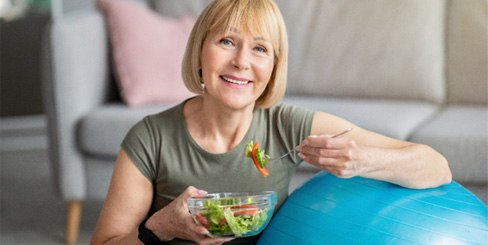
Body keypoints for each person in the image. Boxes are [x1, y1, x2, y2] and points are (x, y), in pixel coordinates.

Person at [91, 0, 452, 244]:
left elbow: (436, 167)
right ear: (200, 52)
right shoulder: (150, 138)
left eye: (260, 49)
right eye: (227, 41)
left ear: (273, 67)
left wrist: (364, 161)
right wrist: (161, 227)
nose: (242, 62)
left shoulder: (288, 126)